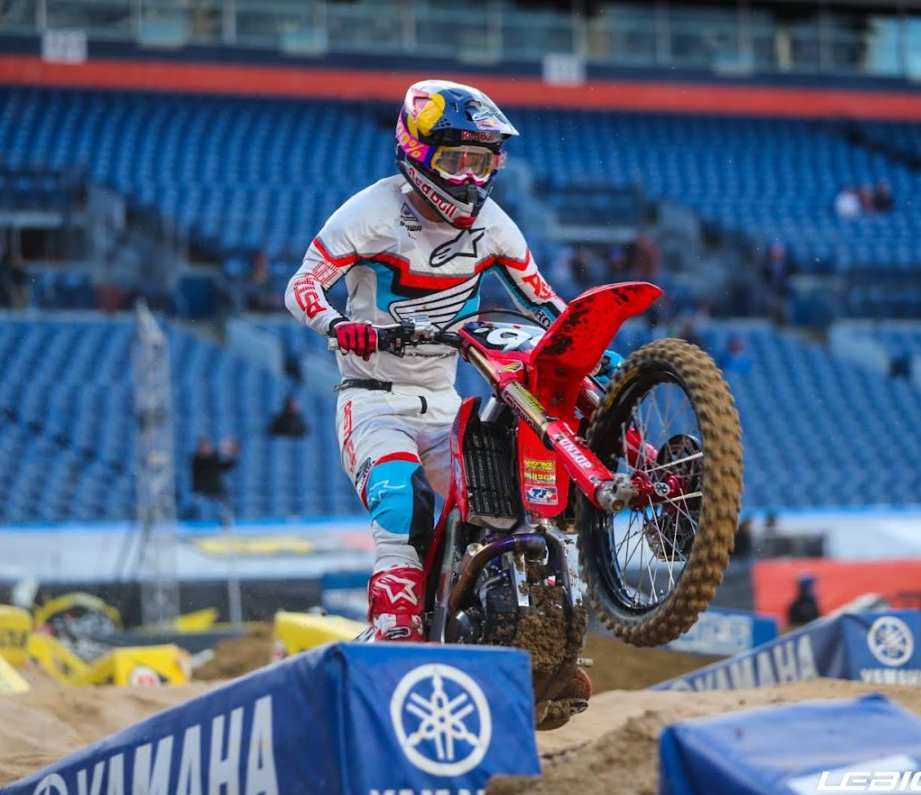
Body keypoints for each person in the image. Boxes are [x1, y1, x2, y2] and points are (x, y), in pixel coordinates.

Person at [284, 79, 619, 656]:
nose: (468, 178)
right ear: (416, 154)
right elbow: (302, 285)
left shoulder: (495, 227)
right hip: (373, 398)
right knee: (401, 497)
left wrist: (587, 346)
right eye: (454, 161)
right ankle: (395, 627)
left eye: (480, 162)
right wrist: (338, 325)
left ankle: (526, 626)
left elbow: (542, 301)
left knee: (506, 502)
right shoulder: (372, 212)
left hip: (444, 404)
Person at [191, 437, 239, 525]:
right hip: (201, 493)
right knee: (202, 511)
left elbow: (228, 465)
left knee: (225, 506)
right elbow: (207, 461)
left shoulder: (214, 459)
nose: (206, 449)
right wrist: (223, 450)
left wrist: (232, 454)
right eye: (204, 446)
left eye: (207, 446)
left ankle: (225, 524)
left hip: (216, 492)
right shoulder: (196, 458)